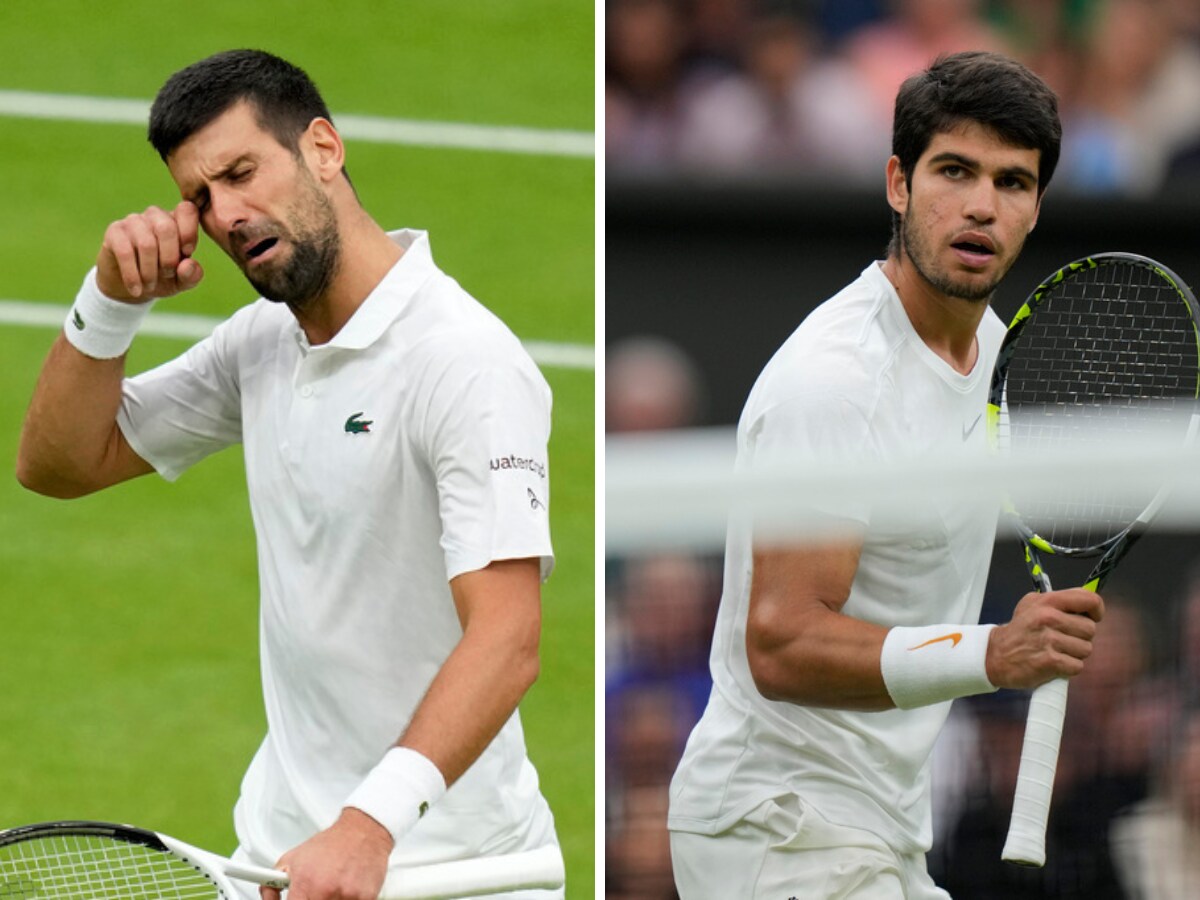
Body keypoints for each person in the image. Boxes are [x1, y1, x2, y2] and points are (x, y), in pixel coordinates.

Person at [16, 49, 561, 900]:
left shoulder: (465, 363)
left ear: (323, 149)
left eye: (241, 172)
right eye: (200, 197)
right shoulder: (261, 344)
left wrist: (366, 825)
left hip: (448, 871)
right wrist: (109, 303)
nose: (226, 214)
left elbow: (508, 637)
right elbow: (57, 464)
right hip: (279, 860)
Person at [667, 51, 1105, 899]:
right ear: (898, 184)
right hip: (776, 828)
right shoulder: (836, 380)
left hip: (880, 829)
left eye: (1012, 183)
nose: (981, 205)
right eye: (955, 172)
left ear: (1035, 208)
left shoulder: (995, 359)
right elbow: (782, 642)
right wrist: (995, 653)